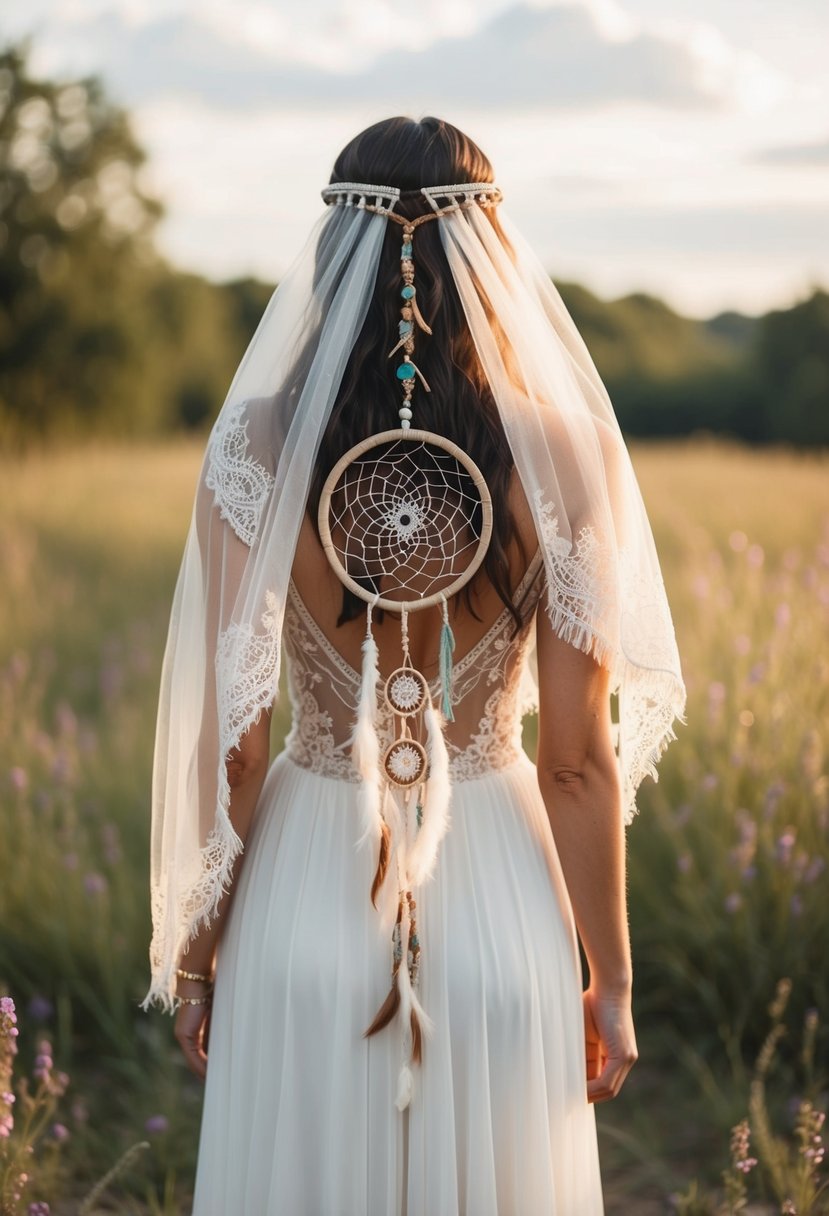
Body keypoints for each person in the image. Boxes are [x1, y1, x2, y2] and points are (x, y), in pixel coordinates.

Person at [143, 116, 685, 1214]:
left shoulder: (252, 447)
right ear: (490, 252)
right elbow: (577, 764)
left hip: (303, 900)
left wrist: (198, 961)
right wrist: (610, 982)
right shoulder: (569, 456)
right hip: (497, 909)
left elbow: (237, 747)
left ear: (333, 257)